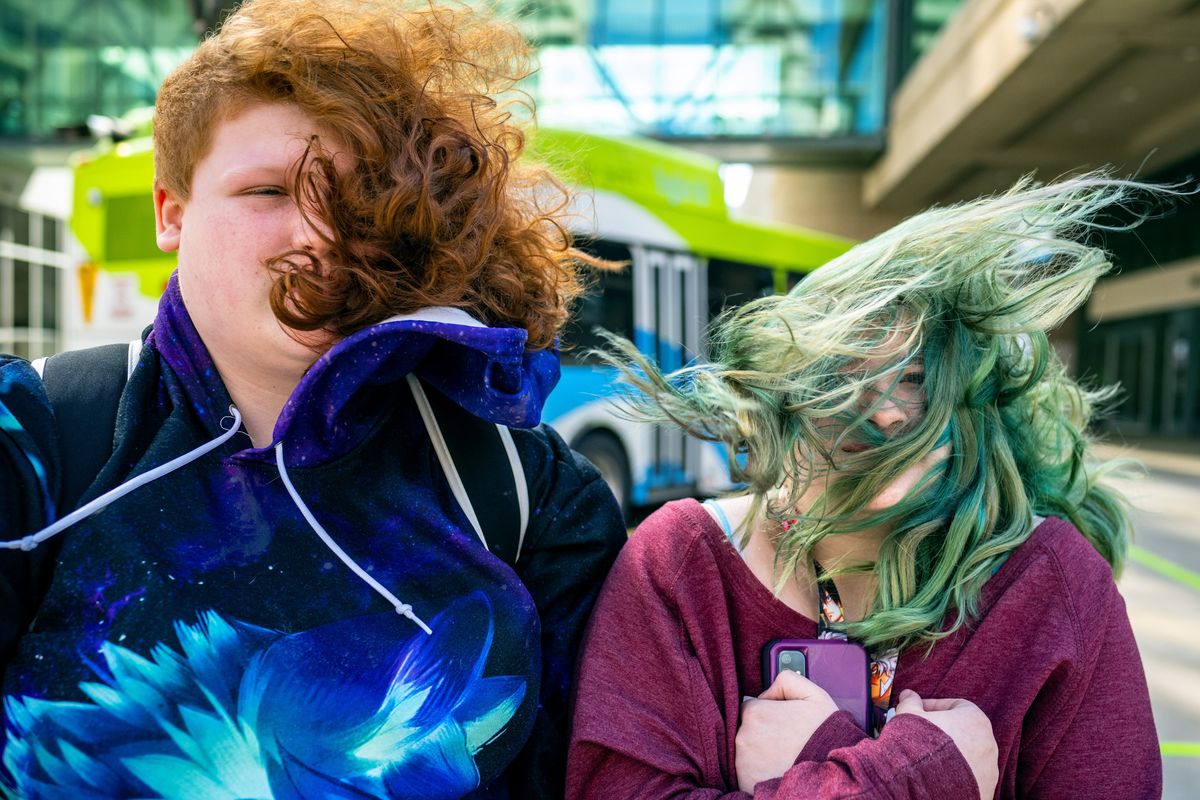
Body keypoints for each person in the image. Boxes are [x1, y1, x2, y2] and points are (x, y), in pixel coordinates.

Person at [0, 1, 625, 797]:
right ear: (171, 211)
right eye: (267, 191)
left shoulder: (525, 489)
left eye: (358, 198)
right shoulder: (36, 439)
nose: (319, 238)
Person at [567, 176, 1163, 799]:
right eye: (842, 373)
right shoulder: (683, 566)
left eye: (914, 376)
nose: (882, 412)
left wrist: (821, 760)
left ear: (970, 409)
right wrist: (918, 781)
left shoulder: (1054, 586)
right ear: (788, 398)